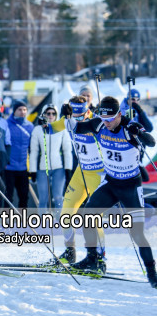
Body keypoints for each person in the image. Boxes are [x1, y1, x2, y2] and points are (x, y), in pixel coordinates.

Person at [68, 96, 157, 288]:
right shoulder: (99, 124)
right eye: (104, 119)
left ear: (119, 115)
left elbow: (150, 142)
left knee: (137, 233)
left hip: (131, 187)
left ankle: (152, 273)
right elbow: (76, 128)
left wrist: (139, 133)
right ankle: (93, 259)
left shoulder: (128, 127)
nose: (106, 123)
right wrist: (68, 115)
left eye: (110, 119)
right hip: (111, 183)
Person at [47, 95, 106, 264]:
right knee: (66, 213)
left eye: (81, 116)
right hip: (81, 173)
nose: (78, 120)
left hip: (98, 174)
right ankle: (70, 251)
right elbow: (50, 128)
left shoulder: (96, 123)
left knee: (94, 218)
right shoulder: (68, 120)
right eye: (75, 116)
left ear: (88, 111)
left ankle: (99, 257)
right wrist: (49, 120)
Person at [28, 104, 72, 213]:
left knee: (58, 197)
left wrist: (68, 168)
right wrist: (32, 170)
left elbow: (67, 150)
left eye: (53, 113)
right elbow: (34, 152)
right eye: (48, 113)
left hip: (59, 168)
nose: (51, 115)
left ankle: (60, 222)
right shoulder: (38, 130)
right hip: (43, 168)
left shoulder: (61, 129)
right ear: (44, 114)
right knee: (43, 198)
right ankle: (43, 223)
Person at [5, 100, 33, 209]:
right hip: (9, 167)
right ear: (14, 111)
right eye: (19, 109)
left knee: (24, 196)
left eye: (24, 109)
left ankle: (23, 219)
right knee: (8, 196)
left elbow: (32, 148)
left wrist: (32, 167)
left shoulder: (30, 126)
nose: (22, 112)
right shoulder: (7, 124)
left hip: (23, 168)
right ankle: (7, 219)